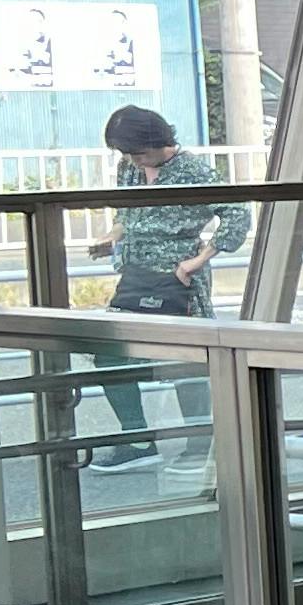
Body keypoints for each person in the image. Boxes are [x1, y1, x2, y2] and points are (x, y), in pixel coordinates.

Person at [90, 105, 248, 472]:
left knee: (186, 359)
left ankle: (200, 444)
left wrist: (198, 260)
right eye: (125, 153)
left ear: (157, 140)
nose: (132, 159)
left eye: (137, 151)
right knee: (111, 351)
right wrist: (111, 239)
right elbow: (126, 215)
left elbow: (237, 211)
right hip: (135, 272)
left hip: (179, 278)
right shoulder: (129, 168)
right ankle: (136, 438)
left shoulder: (192, 170)